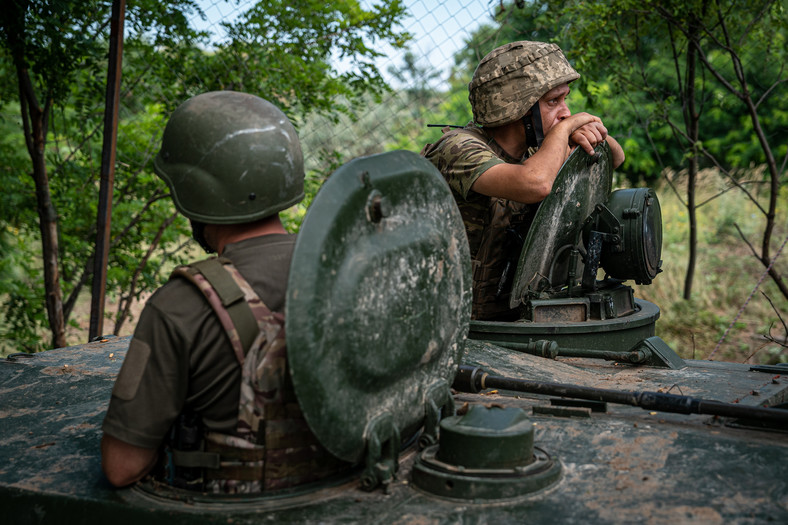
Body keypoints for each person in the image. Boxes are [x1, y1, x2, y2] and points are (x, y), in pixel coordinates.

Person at [101, 91, 346, 493]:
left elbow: (121, 466)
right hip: (346, 491)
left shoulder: (179, 306)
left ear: (192, 193)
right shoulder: (345, 269)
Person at [422, 41, 626, 321]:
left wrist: (588, 131)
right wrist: (566, 128)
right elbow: (535, 184)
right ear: (518, 108)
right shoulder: (457, 149)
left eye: (565, 99)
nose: (565, 111)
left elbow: (614, 158)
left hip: (515, 319)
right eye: (553, 101)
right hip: (451, 322)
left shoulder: (538, 152)